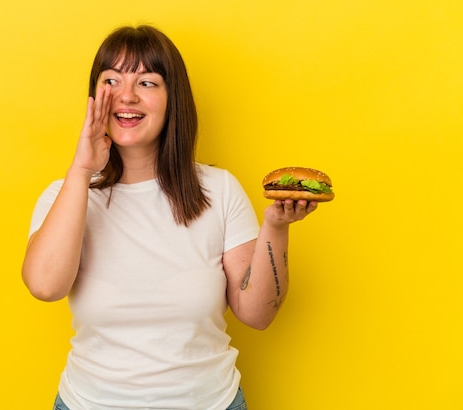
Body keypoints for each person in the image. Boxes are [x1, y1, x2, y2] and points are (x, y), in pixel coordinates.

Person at [22, 25, 318, 410]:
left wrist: (276, 228)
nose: (126, 95)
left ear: (172, 98)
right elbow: (45, 287)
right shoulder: (66, 195)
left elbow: (257, 314)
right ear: (95, 98)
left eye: (146, 82)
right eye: (112, 80)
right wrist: (81, 170)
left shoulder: (220, 190)